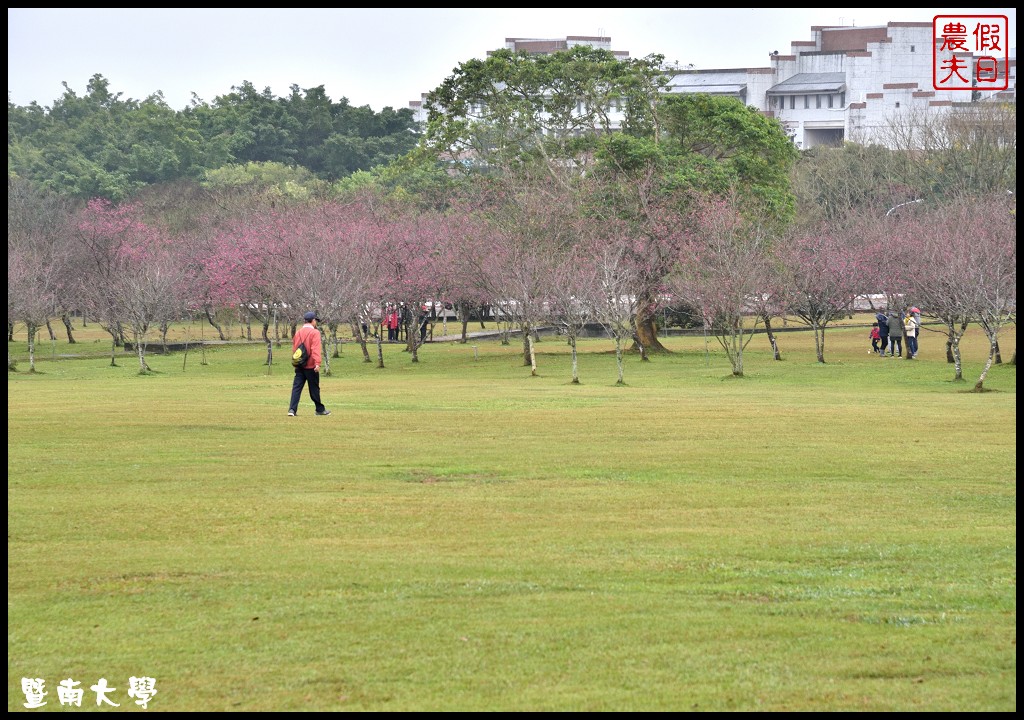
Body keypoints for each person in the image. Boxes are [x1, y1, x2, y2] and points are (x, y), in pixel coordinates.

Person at [288, 311, 330, 417]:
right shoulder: (315, 333)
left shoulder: (298, 332)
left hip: (299, 364)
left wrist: (296, 361)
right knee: (314, 388)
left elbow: (295, 349)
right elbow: (315, 349)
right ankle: (319, 409)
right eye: (315, 320)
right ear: (313, 321)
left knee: (296, 388)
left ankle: (292, 409)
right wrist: (317, 363)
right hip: (310, 365)